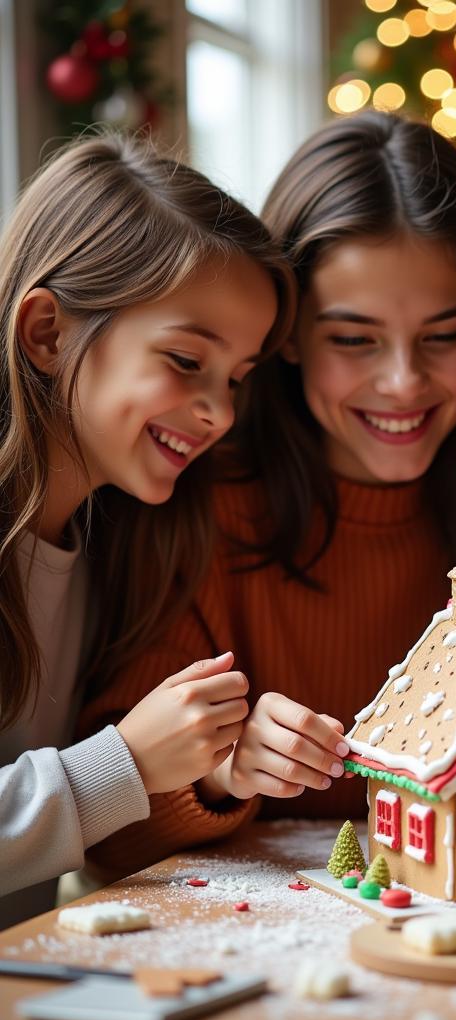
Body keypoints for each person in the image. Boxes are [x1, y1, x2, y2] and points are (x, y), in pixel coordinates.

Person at [80, 112, 456, 876]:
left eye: (443, 336)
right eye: (353, 340)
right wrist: (223, 772)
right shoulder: (200, 502)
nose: (402, 382)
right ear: (283, 333)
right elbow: (106, 832)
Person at [0, 133, 294, 926]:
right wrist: (120, 765)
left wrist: (216, 770)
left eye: (236, 377)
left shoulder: (118, 546)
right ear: (48, 334)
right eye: (185, 360)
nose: (222, 412)